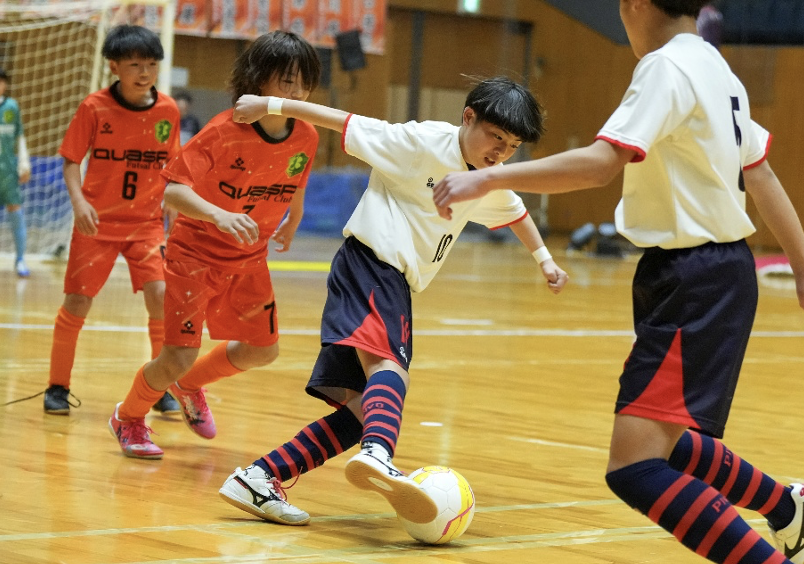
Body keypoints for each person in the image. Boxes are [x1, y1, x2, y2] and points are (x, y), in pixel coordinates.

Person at [431, 2, 804, 564]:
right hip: (705, 274)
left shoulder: (665, 67)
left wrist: (487, 180)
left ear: (635, 4)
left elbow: (602, 164)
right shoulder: (716, 68)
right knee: (666, 441)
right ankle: (787, 507)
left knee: (636, 466)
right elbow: (759, 174)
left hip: (693, 279)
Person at [217, 76, 568, 526]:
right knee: (391, 370)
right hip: (372, 264)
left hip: (388, 279)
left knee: (361, 411)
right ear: (468, 117)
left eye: (513, 146)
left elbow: (515, 211)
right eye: (496, 137)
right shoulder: (417, 143)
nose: (501, 151)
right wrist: (270, 104)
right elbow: (341, 121)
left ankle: (259, 478)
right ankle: (379, 453)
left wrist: (545, 260)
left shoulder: (486, 178)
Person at [107, 30, 321, 459]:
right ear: (257, 80)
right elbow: (172, 191)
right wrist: (218, 215)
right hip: (195, 255)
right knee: (176, 356)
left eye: (304, 83)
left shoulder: (307, 135)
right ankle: (128, 418)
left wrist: (294, 218)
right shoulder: (224, 131)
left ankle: (189, 386)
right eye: (286, 81)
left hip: (249, 258)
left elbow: (296, 178)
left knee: (264, 349)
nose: (296, 92)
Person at [44, 25, 181, 416]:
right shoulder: (94, 107)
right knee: (77, 301)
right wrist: (79, 202)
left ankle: (158, 387)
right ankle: (57, 387)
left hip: (146, 225)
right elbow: (71, 160)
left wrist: (174, 201)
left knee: (161, 296)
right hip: (97, 224)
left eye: (151, 64)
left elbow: (174, 165)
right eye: (135, 64)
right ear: (114, 67)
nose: (144, 72)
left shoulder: (168, 110)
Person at [0, 67, 32, 278]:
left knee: (16, 212)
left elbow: (19, 136)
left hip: (7, 171)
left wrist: (24, 163)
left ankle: (20, 259)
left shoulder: (11, 107)